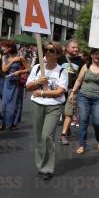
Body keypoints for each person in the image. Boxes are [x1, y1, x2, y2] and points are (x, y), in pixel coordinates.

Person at [24, 42, 68, 180]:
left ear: (58, 54)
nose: (48, 52)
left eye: (51, 50)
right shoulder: (37, 68)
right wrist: (38, 82)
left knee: (47, 136)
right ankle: (41, 165)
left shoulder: (62, 71)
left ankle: (48, 168)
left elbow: (60, 92)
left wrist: (42, 93)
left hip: (54, 107)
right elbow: (28, 86)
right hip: (37, 105)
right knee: (38, 137)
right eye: (45, 50)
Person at [68, 48, 99, 154]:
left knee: (97, 122)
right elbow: (79, 80)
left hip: (98, 100)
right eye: (95, 54)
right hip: (83, 97)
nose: (97, 56)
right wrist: (73, 92)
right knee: (83, 120)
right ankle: (82, 144)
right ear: (91, 55)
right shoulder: (86, 66)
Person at [0, 40, 29, 131]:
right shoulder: (4, 57)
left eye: (4, 46)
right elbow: (4, 69)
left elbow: (29, 69)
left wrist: (19, 71)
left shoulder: (21, 58)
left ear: (10, 48)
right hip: (7, 82)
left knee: (16, 103)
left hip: (17, 83)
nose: (2, 48)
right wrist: (12, 62)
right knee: (4, 104)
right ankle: (3, 123)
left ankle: (14, 124)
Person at [59, 39, 84, 145]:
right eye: (73, 47)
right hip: (59, 89)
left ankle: (63, 135)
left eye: (77, 47)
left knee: (69, 112)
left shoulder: (80, 61)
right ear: (67, 48)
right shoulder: (60, 58)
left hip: (72, 90)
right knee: (63, 111)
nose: (75, 49)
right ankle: (67, 127)